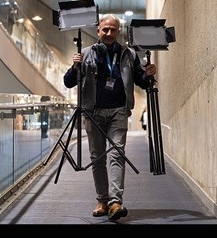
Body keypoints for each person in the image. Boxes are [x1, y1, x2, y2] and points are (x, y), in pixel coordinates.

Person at [63, 14, 156, 221]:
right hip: (93, 112)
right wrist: (74, 67)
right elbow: (69, 82)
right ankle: (102, 201)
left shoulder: (129, 54)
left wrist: (148, 74)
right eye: (105, 29)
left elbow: (140, 81)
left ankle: (115, 202)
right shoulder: (85, 54)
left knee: (117, 154)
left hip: (118, 112)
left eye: (113, 30)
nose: (109, 33)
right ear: (98, 31)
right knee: (97, 158)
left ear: (118, 32)